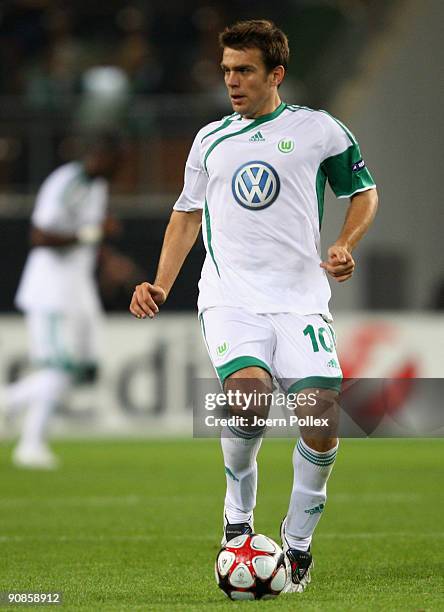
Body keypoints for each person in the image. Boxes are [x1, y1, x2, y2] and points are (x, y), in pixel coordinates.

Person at [130, 19, 378, 593]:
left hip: (299, 303)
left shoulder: (319, 131)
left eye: (244, 71)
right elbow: (186, 213)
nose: (232, 82)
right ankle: (237, 519)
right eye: (226, 71)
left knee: (319, 417)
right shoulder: (209, 140)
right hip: (231, 298)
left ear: (276, 74)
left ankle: (296, 548)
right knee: (247, 399)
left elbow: (362, 192)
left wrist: (344, 244)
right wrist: (163, 283)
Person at [3, 134, 123, 469]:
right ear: (99, 155)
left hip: (78, 290)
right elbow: (39, 236)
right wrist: (93, 235)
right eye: (116, 161)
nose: (119, 169)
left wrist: (107, 258)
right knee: (59, 368)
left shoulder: (97, 187)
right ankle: (29, 444)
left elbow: (90, 235)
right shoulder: (64, 183)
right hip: (51, 290)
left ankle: (12, 405)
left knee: (84, 369)